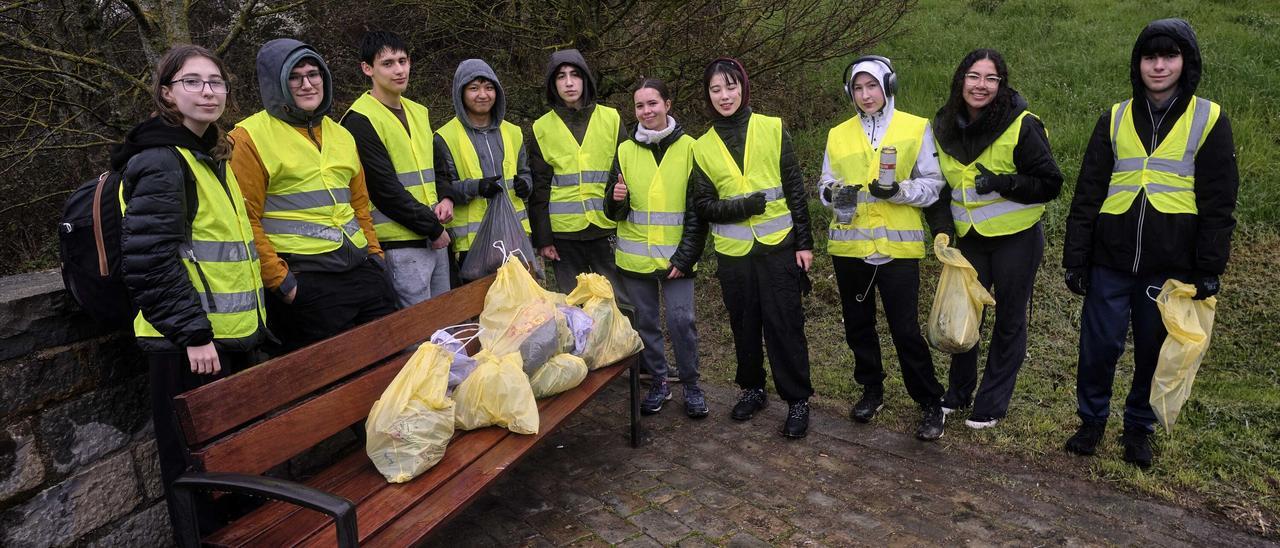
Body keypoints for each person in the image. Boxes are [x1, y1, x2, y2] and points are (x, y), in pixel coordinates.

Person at [1062, 19, 1238, 468]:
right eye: (1149, 57)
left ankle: (1138, 428)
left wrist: (1208, 267)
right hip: (1109, 259)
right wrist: (1076, 257)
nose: (1159, 66)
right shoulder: (1114, 117)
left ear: (1186, 62)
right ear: (1137, 64)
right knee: (1097, 347)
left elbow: (1219, 201)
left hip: (1169, 264)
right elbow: (1088, 192)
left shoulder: (1209, 119)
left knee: (1153, 351)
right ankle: (1091, 421)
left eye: (1169, 56)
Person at [115, 44, 264, 534]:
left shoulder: (208, 154)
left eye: (216, 82)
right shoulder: (161, 161)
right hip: (188, 347)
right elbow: (149, 259)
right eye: (192, 82)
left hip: (223, 338)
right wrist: (193, 333)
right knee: (197, 477)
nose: (207, 91)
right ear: (166, 94)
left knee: (232, 466)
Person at [925, 49, 1063, 429]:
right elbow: (938, 188)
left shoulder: (1022, 125)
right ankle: (958, 394)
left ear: (1001, 85)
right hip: (970, 238)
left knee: (1009, 320)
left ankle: (991, 404)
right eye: (973, 76)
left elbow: (1051, 183)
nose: (981, 85)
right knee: (964, 315)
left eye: (991, 78)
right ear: (960, 80)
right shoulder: (943, 125)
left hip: (1017, 239)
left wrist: (1005, 183)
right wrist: (942, 229)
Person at [230, 39, 395, 353]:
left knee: (391, 363)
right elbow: (244, 219)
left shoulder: (341, 133)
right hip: (306, 282)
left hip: (363, 273)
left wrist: (375, 256)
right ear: (276, 83)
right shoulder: (248, 138)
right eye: (294, 77)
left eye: (313, 74)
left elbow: (359, 204)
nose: (307, 84)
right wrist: (281, 282)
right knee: (333, 377)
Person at [817, 56, 947, 441]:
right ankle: (871, 390)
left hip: (896, 250)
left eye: (872, 86)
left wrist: (899, 191)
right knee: (858, 327)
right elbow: (825, 182)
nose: (865, 95)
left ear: (888, 86)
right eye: (858, 88)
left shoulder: (915, 127)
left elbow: (933, 184)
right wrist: (831, 193)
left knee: (905, 330)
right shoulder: (838, 134)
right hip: (851, 248)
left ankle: (929, 400)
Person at [692, 58, 815, 438]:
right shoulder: (701, 146)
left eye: (730, 87)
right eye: (716, 89)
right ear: (708, 96)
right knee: (744, 327)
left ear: (743, 87)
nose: (724, 96)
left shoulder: (773, 128)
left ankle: (797, 400)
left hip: (778, 247)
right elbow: (703, 206)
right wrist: (743, 207)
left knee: (785, 325)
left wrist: (805, 243)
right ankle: (753, 389)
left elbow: (795, 189)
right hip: (733, 256)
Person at [604, 78, 708, 418]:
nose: (646, 111)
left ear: (667, 104)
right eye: (640, 106)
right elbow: (613, 211)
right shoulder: (624, 150)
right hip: (635, 260)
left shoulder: (691, 148)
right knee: (645, 324)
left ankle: (691, 384)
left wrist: (686, 257)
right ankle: (659, 382)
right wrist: (615, 200)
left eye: (652, 103)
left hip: (678, 259)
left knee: (682, 321)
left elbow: (698, 212)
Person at [341, 31, 451, 307]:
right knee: (418, 329)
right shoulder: (359, 119)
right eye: (388, 63)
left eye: (403, 61)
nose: (399, 70)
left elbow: (438, 166)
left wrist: (446, 197)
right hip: (399, 245)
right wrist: (432, 228)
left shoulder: (418, 111)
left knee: (446, 322)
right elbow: (383, 189)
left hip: (434, 236)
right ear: (367, 68)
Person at [528, 49, 629, 304]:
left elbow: (627, 173)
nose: (569, 82)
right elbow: (539, 188)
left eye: (575, 75)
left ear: (586, 79)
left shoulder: (611, 118)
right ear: (553, 84)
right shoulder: (541, 127)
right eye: (561, 76)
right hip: (564, 236)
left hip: (606, 228)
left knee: (618, 302)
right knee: (574, 307)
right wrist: (543, 239)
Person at [433, 58, 532, 273]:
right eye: (474, 88)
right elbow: (443, 188)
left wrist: (525, 185)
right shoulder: (445, 137)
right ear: (460, 93)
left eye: (489, 88)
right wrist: (476, 187)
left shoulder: (513, 132)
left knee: (522, 294)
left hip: (514, 235)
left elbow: (525, 172)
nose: (483, 95)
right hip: (473, 243)